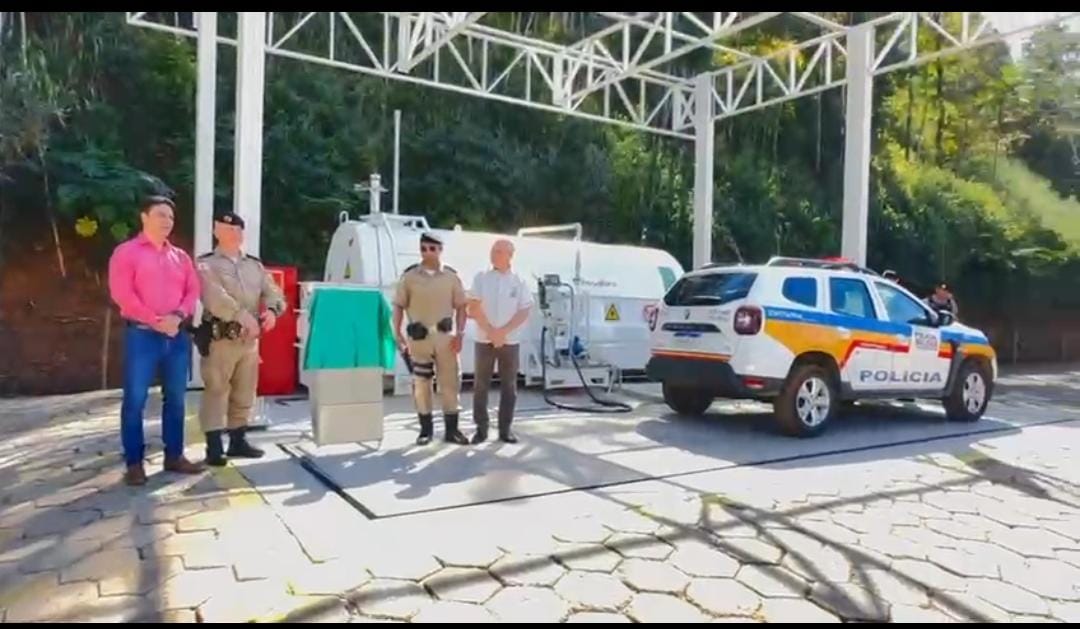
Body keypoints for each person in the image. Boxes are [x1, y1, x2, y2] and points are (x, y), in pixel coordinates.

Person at [108, 195, 205, 486]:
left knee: (175, 398)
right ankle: (134, 463)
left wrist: (178, 316)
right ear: (144, 217)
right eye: (161, 215)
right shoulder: (126, 253)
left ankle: (174, 455)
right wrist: (155, 320)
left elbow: (192, 290)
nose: (167, 221)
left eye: (171, 217)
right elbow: (122, 294)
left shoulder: (180, 257)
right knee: (135, 399)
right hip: (142, 335)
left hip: (176, 336)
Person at [195, 211, 286, 467]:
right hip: (220, 338)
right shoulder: (206, 264)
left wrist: (272, 311)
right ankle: (214, 446)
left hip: (249, 341)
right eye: (226, 229)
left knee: (245, 391)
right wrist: (239, 315)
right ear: (216, 231)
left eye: (237, 229)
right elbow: (213, 295)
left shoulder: (254, 266)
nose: (233, 233)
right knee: (216, 390)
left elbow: (273, 292)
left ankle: (238, 440)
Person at [392, 233, 469, 445]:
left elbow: (462, 307)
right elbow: (398, 305)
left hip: (445, 339)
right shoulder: (409, 277)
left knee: (450, 383)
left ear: (440, 250)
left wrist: (460, 334)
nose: (427, 253)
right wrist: (397, 333)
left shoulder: (451, 277)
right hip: (420, 339)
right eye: (423, 248)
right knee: (421, 384)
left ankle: (452, 430)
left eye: (432, 249)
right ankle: (425, 430)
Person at [467, 239, 534, 444]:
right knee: (480, 385)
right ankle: (481, 429)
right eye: (493, 250)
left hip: (509, 341)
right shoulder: (481, 278)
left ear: (510, 256)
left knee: (509, 386)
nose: (493, 254)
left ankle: (505, 429)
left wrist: (503, 332)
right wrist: (491, 331)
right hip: (484, 339)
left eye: (498, 251)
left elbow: (524, 311)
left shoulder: (519, 281)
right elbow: (473, 307)